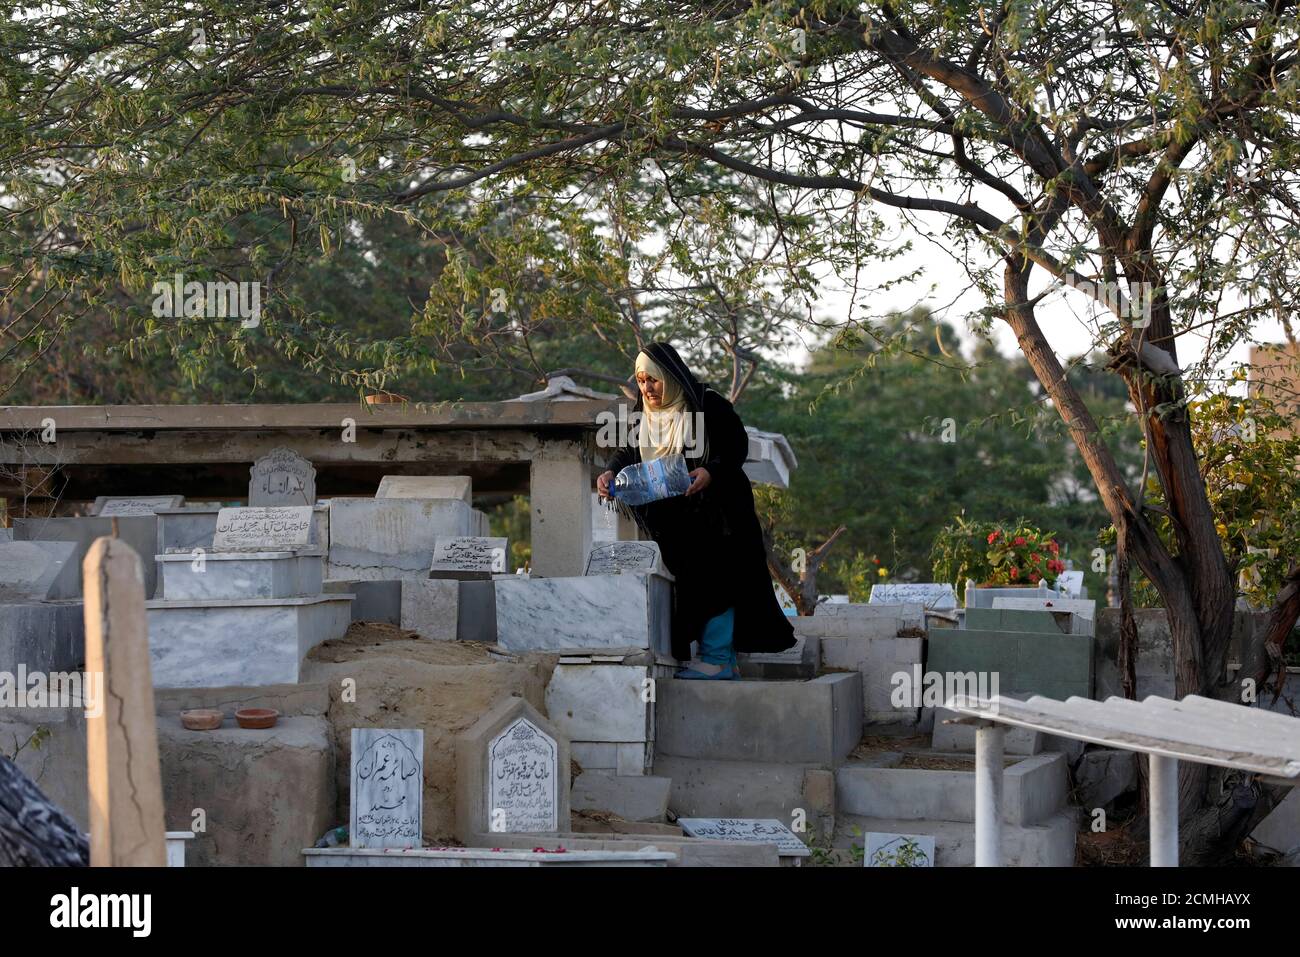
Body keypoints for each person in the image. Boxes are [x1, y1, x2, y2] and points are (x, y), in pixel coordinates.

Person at [597, 342, 795, 679]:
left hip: (719, 515)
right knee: (693, 583)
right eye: (642, 381)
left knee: (718, 579)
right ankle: (722, 661)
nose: (647, 388)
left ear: (671, 377)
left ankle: (717, 659)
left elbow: (735, 445)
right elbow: (627, 450)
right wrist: (610, 472)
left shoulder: (706, 404)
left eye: (654, 380)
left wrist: (711, 472)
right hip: (676, 520)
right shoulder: (641, 413)